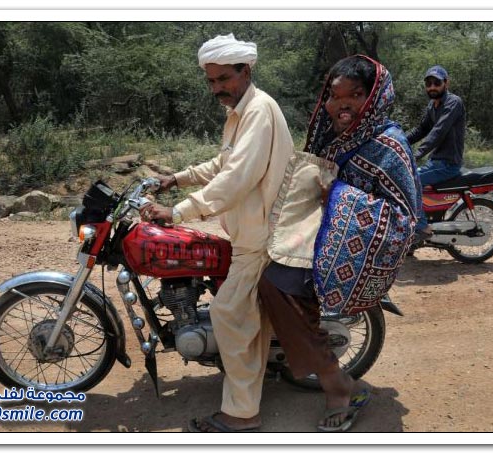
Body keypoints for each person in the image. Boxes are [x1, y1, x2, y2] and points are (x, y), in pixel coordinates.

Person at [140, 33, 294, 432]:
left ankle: (242, 413)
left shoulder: (259, 111)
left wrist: (179, 211)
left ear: (246, 71)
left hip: (262, 237)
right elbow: (223, 164)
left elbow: (237, 177)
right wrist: (176, 178)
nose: (216, 88)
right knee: (232, 307)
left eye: (224, 78)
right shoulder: (240, 113)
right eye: (211, 81)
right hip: (248, 232)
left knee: (229, 317)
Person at [258, 55, 420, 432]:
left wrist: (338, 196)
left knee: (276, 284)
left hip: (356, 251)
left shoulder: (389, 145)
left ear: (375, 97)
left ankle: (338, 385)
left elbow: (404, 217)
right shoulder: (330, 136)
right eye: (335, 96)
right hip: (316, 235)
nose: (341, 105)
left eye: (355, 95)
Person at [406, 65, 466, 241]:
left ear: (446, 83)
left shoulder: (453, 102)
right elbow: (421, 130)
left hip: (448, 163)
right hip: (435, 162)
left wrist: (416, 154)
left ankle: (422, 228)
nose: (432, 87)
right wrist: (398, 141)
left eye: (437, 83)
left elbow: (438, 132)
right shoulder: (432, 105)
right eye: (429, 83)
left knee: (410, 181)